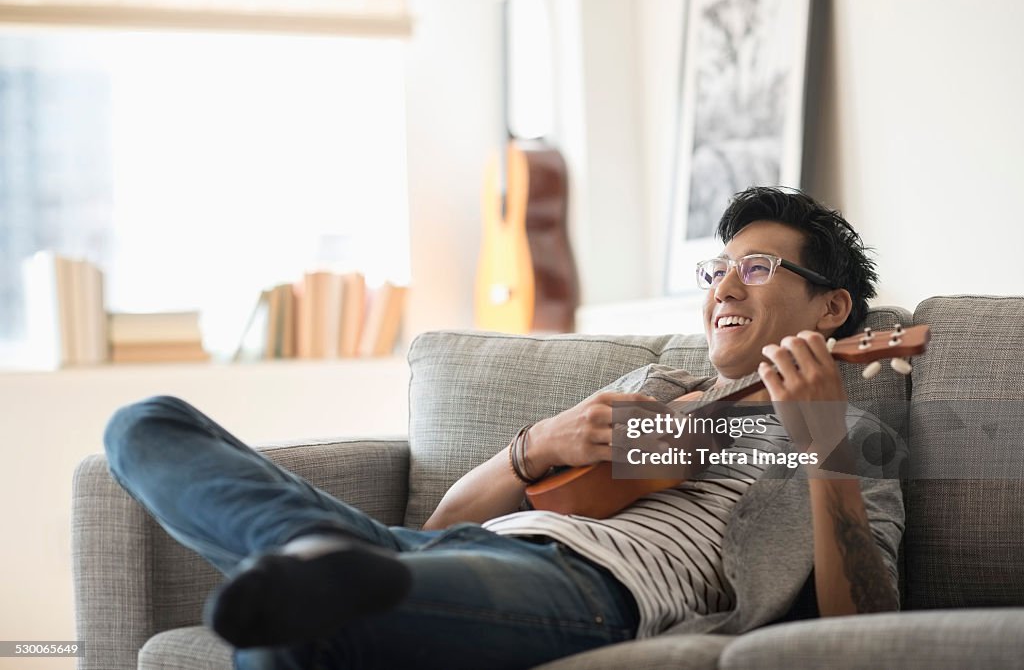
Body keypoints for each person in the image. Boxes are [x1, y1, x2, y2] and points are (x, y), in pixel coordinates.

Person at [103, 186, 903, 670]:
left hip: (589, 590)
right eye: (718, 268)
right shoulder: (656, 387)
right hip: (441, 550)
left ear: (832, 310)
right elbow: (444, 523)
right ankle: (313, 557)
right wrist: (538, 444)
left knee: (299, 632)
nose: (726, 285)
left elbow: (863, 627)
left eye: (758, 268)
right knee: (144, 424)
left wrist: (823, 438)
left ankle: (302, 561)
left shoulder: (850, 434)